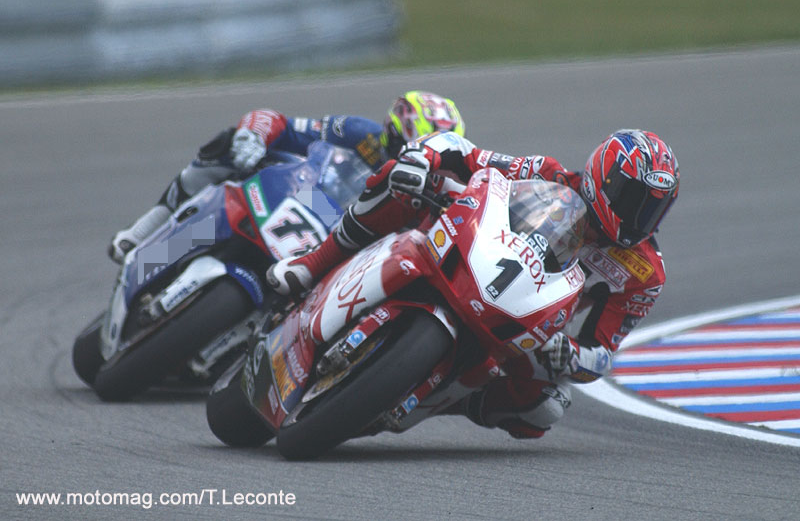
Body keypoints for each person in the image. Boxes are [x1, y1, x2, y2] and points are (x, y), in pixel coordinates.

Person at [267, 128, 680, 439]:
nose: (640, 219)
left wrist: (570, 354)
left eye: (654, 209)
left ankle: (455, 400)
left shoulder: (644, 274)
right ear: (604, 179)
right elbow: (465, 153)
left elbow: (602, 352)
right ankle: (314, 263)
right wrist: (422, 157)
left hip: (528, 321)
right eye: (634, 200)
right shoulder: (547, 174)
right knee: (402, 178)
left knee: (545, 407)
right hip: (475, 254)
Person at [108, 91, 466, 263]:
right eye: (409, 149)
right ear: (393, 130)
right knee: (227, 146)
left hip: (339, 246)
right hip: (304, 196)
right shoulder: (360, 133)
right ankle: (143, 232)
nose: (415, 161)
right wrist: (253, 135)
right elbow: (281, 124)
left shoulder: (432, 194)